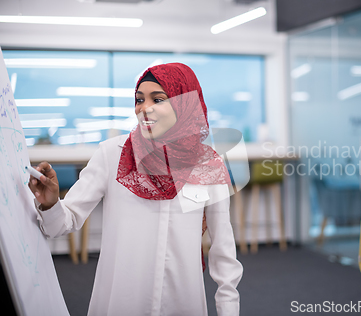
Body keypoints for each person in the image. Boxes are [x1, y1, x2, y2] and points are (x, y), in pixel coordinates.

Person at [29, 63, 243, 316]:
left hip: (182, 300)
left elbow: (223, 250)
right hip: (122, 299)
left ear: (184, 104)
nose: (144, 108)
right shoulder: (112, 154)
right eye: (139, 99)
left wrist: (228, 309)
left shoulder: (207, 164)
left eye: (158, 99)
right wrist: (52, 203)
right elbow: (60, 225)